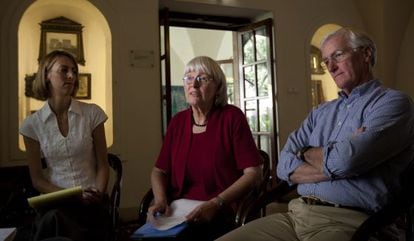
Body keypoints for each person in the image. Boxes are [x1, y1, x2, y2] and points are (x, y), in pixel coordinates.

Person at [217, 27, 414, 241]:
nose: (331, 66)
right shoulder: (321, 112)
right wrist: (338, 157)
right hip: (296, 215)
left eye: (338, 55)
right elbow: (283, 166)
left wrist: (305, 153)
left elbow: (346, 160)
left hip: (354, 222)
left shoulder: (393, 103)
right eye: (326, 60)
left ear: (366, 54)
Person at [148, 56, 263, 240]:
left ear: (218, 87)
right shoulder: (178, 122)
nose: (193, 84)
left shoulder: (232, 118)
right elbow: (158, 171)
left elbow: (253, 173)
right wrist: (161, 200)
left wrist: (216, 203)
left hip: (221, 210)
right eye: (188, 77)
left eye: (202, 78)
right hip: (180, 211)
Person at [19, 50, 110, 241]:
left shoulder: (92, 113)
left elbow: (103, 164)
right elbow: (37, 180)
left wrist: (98, 195)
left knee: (54, 224)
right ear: (46, 75)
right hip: (57, 201)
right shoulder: (31, 125)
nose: (71, 76)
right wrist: (72, 195)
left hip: (92, 202)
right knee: (54, 219)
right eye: (64, 70)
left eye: (74, 71)